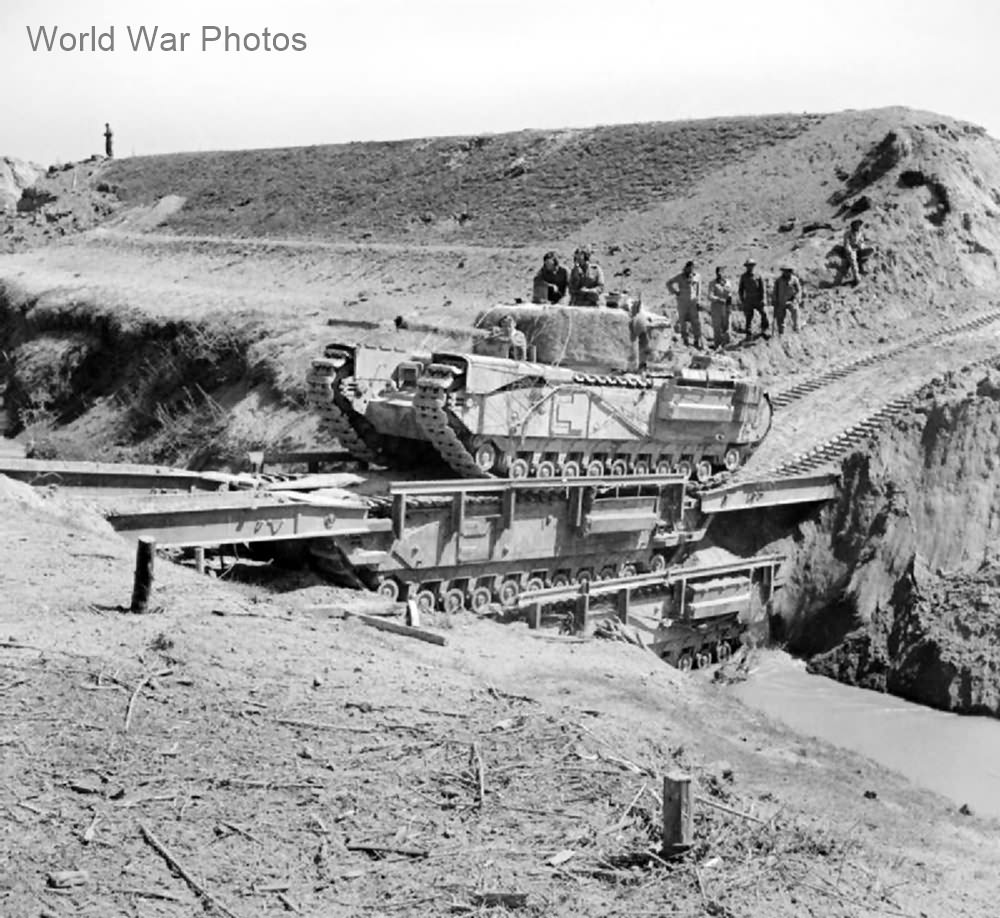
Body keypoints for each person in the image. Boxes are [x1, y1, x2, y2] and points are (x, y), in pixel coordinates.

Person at [666, 260, 702, 348]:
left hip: (693, 301)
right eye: (689, 268)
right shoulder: (680, 276)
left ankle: (697, 340)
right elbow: (669, 283)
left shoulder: (697, 276)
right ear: (686, 268)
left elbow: (699, 289)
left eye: (692, 268)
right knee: (682, 321)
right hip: (682, 301)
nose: (691, 270)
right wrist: (675, 292)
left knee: (695, 321)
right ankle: (685, 339)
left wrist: (698, 300)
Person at [737, 258, 769, 340]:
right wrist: (742, 300)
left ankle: (764, 330)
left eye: (751, 265)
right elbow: (741, 289)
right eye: (748, 266)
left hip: (758, 299)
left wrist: (763, 299)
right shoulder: (743, 277)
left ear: (754, 266)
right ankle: (748, 334)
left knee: (764, 314)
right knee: (749, 317)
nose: (750, 267)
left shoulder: (758, 276)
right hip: (748, 300)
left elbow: (762, 288)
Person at [840, 218, 873, 285]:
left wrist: (861, 246)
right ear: (853, 225)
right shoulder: (848, 233)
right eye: (856, 224)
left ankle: (864, 269)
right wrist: (849, 250)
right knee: (853, 260)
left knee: (870, 251)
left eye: (859, 224)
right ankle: (857, 277)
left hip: (858, 249)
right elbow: (846, 243)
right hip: (851, 250)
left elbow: (862, 241)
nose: (857, 226)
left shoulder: (860, 233)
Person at [707, 266, 733, 349]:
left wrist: (729, 301)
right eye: (718, 273)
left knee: (727, 326)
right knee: (717, 327)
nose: (719, 274)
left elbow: (730, 293)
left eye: (721, 273)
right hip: (716, 308)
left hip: (726, 307)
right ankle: (717, 345)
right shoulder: (712, 283)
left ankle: (727, 344)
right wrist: (718, 299)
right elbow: (710, 296)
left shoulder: (728, 282)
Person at [771, 266, 803, 334]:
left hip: (791, 300)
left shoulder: (794, 279)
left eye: (788, 271)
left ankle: (796, 328)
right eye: (785, 271)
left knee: (795, 312)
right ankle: (781, 332)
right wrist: (774, 300)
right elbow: (775, 291)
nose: (786, 273)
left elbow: (799, 290)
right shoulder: (779, 280)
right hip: (781, 301)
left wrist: (797, 298)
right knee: (780, 317)